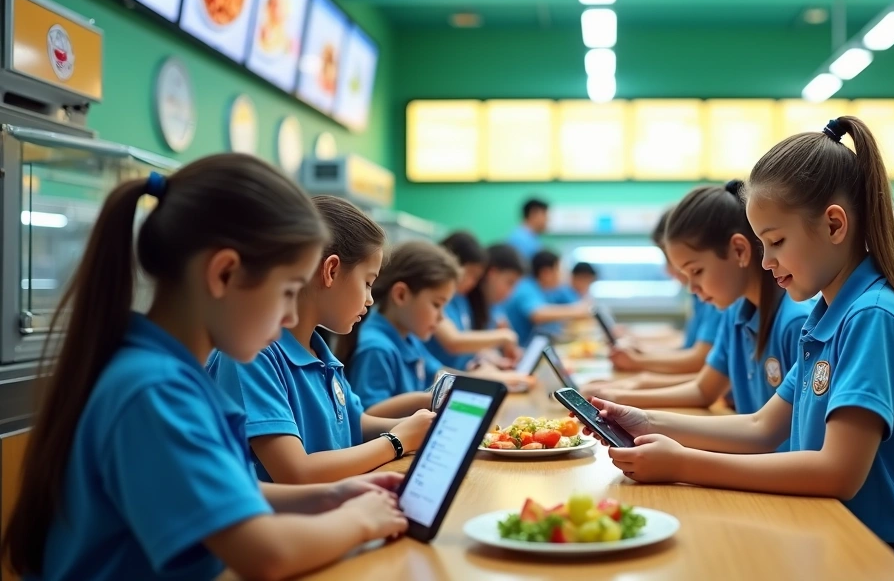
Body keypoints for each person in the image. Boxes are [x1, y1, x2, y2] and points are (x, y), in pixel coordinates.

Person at [2, 155, 407, 581]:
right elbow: (266, 555)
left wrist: (330, 496)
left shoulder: (171, 374)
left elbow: (231, 493)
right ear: (224, 274)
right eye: (288, 292)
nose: (290, 318)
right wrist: (360, 520)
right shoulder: (154, 390)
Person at [581, 118, 894, 581]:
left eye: (775, 242)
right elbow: (760, 426)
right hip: (827, 536)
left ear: (834, 224)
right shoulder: (826, 317)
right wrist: (643, 420)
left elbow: (838, 471)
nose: (766, 260)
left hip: (872, 557)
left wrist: (682, 463)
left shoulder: (872, 317)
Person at [208, 196, 436, 484]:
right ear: (330, 271)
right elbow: (294, 471)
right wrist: (396, 441)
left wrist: (423, 426)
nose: (369, 299)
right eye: (367, 283)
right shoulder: (252, 353)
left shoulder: (319, 352)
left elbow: (355, 422)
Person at [588, 186, 809, 430]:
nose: (691, 287)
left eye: (697, 271)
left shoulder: (797, 323)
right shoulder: (735, 313)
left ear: (739, 250)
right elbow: (704, 389)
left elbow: (776, 438)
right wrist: (619, 399)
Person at [339, 241, 530, 409]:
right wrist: (428, 400)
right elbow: (367, 415)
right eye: (436, 305)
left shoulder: (408, 337)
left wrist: (482, 380)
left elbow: (440, 374)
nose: (440, 319)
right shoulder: (377, 348)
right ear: (401, 295)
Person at [607, 209, 721, 379]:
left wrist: (639, 361)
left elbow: (699, 361)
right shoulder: (702, 294)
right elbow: (688, 345)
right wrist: (641, 350)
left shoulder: (718, 297)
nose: (669, 269)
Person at [425, 232, 519, 369]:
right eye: (471, 274)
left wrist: (493, 361)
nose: (473, 283)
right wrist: (505, 336)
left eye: (477, 277)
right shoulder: (439, 299)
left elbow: (469, 350)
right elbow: (454, 341)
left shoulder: (461, 299)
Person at [500, 249, 592, 341]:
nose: (562, 275)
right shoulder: (526, 288)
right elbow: (537, 314)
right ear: (546, 273)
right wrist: (577, 310)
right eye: (559, 270)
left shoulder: (543, 290)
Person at [507, 197, 549, 262]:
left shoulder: (533, 237)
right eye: (545, 215)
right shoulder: (519, 239)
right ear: (533, 213)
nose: (547, 219)